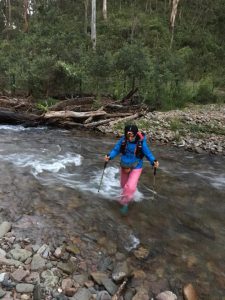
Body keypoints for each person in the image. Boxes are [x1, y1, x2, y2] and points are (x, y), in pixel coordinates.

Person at [105, 124, 159, 214]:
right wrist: (109, 156)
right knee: (123, 186)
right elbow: (116, 150)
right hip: (124, 165)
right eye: (128, 135)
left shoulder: (141, 142)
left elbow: (147, 153)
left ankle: (125, 203)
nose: (129, 138)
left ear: (135, 134)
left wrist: (153, 161)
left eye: (131, 135)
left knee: (129, 188)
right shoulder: (123, 140)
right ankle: (128, 193)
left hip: (136, 166)